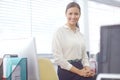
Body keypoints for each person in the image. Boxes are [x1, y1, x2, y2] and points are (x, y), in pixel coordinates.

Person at [52, 2, 95, 80]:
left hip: (80, 67)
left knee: (94, 77)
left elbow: (84, 55)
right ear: (66, 14)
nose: (73, 16)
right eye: (70, 13)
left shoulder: (80, 35)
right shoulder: (59, 32)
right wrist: (79, 72)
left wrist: (87, 68)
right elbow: (58, 58)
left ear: (79, 15)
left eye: (76, 14)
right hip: (66, 70)